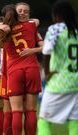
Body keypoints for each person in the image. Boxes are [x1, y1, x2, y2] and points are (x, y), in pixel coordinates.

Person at [0, 4, 43, 135]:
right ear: (15, 13)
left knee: (16, 110)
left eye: (25, 11)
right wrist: (32, 50)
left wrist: (0, 25)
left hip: (14, 71)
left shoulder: (6, 29)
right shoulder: (32, 25)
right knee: (31, 110)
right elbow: (43, 43)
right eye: (21, 11)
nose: (23, 13)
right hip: (32, 68)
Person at [38, 1, 78, 135]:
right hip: (76, 83)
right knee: (74, 121)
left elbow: (46, 50)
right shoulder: (76, 31)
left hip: (59, 82)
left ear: (57, 15)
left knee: (43, 120)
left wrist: (47, 73)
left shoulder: (55, 29)